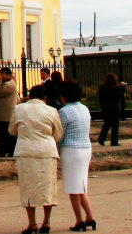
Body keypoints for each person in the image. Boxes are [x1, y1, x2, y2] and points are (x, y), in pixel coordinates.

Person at [10, 83, 63, 234]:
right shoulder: (51, 111)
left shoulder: (18, 109)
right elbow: (58, 133)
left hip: (26, 150)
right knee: (48, 187)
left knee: (28, 187)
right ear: (45, 97)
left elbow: (12, 130)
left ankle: (32, 223)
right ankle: (46, 221)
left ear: (29, 96)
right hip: (46, 151)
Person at [58, 79, 96, 231]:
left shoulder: (64, 111)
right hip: (85, 148)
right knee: (81, 185)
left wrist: (56, 149)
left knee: (73, 189)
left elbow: (61, 134)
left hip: (70, 150)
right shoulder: (85, 109)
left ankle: (79, 220)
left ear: (64, 96)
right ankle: (90, 217)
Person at [0, 67, 19, 157]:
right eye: (1, 74)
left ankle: (9, 151)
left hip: (7, 114)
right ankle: (3, 150)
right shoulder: (6, 83)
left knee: (8, 134)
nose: (1, 76)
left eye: (3, 74)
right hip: (3, 114)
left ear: (8, 75)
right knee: (3, 134)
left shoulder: (10, 84)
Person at [97, 73, 126, 147]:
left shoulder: (102, 88)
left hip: (105, 107)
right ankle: (114, 141)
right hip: (115, 107)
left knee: (107, 123)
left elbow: (100, 98)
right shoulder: (115, 88)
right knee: (115, 124)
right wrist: (122, 88)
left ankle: (102, 137)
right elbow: (121, 96)